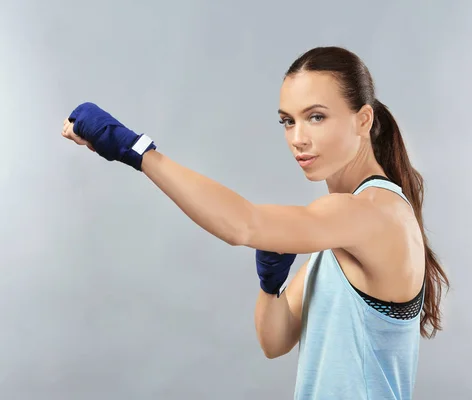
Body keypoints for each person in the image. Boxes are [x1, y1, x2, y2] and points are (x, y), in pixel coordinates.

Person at [61, 46, 449, 399]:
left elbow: (242, 224)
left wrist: (136, 150)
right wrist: (270, 283)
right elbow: (274, 341)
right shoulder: (339, 232)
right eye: (287, 121)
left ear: (363, 120)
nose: (298, 138)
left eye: (316, 117)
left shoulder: (373, 211)